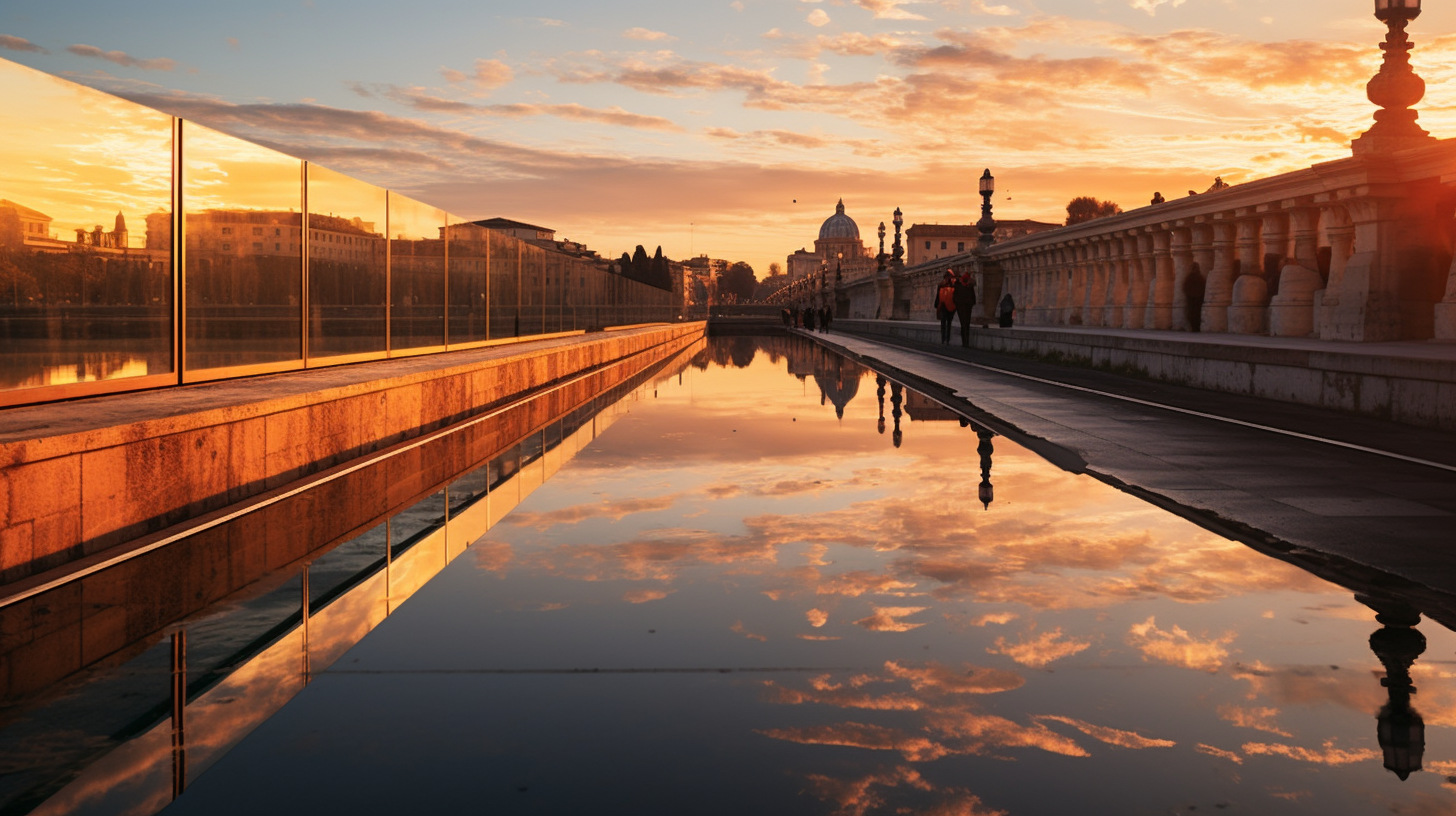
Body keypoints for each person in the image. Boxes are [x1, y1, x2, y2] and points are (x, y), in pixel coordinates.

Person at [953, 271, 977, 348]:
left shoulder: (958, 286)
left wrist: (957, 304)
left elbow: (954, 297)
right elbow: (973, 297)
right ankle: (966, 341)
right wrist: (972, 303)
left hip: (961, 306)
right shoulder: (969, 286)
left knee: (963, 323)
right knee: (966, 323)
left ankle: (965, 341)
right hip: (967, 306)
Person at [934, 271, 956, 344]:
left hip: (949, 306)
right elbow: (938, 296)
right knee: (944, 323)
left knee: (947, 323)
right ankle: (944, 339)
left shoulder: (952, 285)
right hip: (944, 306)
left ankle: (946, 339)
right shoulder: (942, 285)